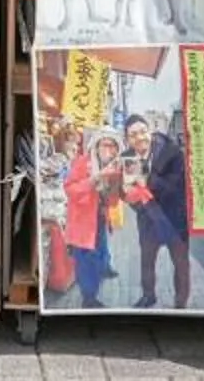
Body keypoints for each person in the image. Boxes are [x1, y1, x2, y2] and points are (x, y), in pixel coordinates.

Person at [127, 117, 192, 310]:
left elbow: (175, 188)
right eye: (133, 135)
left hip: (174, 217)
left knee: (180, 262)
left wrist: (147, 177)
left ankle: (181, 303)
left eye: (142, 131)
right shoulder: (127, 158)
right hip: (148, 219)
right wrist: (135, 203)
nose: (139, 138)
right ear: (127, 139)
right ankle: (148, 296)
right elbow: (125, 192)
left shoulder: (173, 154)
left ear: (150, 131)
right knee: (146, 261)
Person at [60, 131, 116, 305]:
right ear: (97, 146)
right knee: (84, 257)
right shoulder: (84, 162)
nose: (108, 149)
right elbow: (69, 188)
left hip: (100, 217)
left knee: (99, 249)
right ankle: (88, 298)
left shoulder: (114, 166)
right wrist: (94, 179)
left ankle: (102, 271)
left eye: (112, 145)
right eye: (104, 144)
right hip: (83, 219)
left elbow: (113, 198)